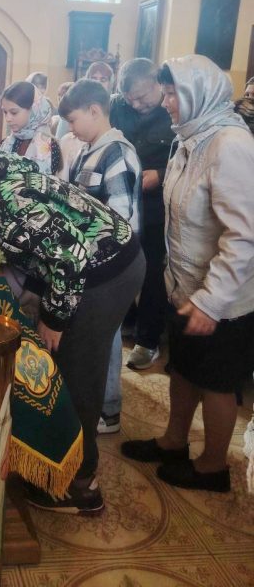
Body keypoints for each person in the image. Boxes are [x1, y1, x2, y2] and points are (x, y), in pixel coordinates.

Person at [0, 147, 145, 514]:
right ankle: (60, 464)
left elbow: (70, 256)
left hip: (104, 273)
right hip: (108, 257)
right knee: (70, 366)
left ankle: (81, 486)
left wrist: (54, 318)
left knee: (77, 372)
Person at [122, 54, 254, 493]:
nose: (166, 102)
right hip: (185, 285)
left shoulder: (230, 145)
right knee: (182, 368)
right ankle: (173, 442)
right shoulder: (191, 137)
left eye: (173, 93)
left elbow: (244, 236)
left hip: (223, 297)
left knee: (216, 382)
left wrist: (211, 301)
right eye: (166, 92)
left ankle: (213, 467)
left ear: (200, 93)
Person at [59, 79, 142, 435]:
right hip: (90, 260)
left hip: (111, 264)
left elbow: (119, 220)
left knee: (106, 335)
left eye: (73, 120)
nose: (71, 130)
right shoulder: (89, 149)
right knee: (93, 335)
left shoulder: (116, 153)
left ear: (95, 110)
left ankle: (108, 409)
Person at [110, 58, 176, 369]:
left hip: (155, 207)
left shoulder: (174, 110)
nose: (136, 105)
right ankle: (125, 320)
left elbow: (187, 161)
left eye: (142, 97)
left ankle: (148, 340)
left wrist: (160, 176)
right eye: (130, 99)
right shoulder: (116, 107)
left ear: (157, 84)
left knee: (152, 273)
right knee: (118, 263)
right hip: (120, 203)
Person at [0, 81, 62, 175]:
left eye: (14, 112)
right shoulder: (6, 143)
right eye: (5, 112)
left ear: (33, 110)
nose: (8, 119)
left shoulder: (50, 146)